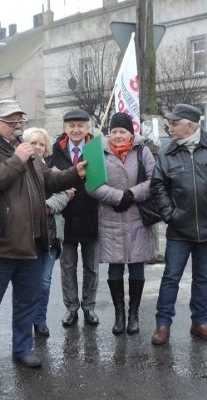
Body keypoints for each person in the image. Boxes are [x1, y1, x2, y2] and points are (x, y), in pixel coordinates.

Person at [0, 100, 86, 375]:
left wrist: (74, 174)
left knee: (27, 301)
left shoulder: (29, 152)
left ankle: (23, 348)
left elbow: (47, 179)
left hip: (33, 241)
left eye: (20, 122)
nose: (18, 127)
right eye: (12, 122)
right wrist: (17, 160)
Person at [149, 104, 207, 345]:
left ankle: (199, 322)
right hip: (179, 228)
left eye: (174, 123)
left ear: (190, 125)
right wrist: (170, 214)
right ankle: (163, 324)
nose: (170, 127)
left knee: (202, 278)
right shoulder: (166, 153)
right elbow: (158, 186)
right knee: (171, 277)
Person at [90, 112, 156, 335]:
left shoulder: (143, 151)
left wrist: (131, 195)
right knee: (115, 268)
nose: (118, 135)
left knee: (137, 266)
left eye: (123, 131)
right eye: (114, 131)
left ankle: (134, 314)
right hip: (111, 218)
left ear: (131, 133)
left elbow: (154, 181)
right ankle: (119, 314)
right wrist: (118, 197)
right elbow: (93, 185)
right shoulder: (98, 152)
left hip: (138, 218)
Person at [47, 109, 101, 328]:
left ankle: (89, 307)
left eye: (80, 125)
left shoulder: (96, 150)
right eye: (71, 126)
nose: (76, 130)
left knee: (92, 267)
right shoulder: (55, 152)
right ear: (65, 128)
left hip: (91, 217)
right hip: (65, 220)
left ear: (88, 128)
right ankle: (71, 308)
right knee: (67, 267)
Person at [23, 127, 75, 338]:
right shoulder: (19, 169)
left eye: (41, 144)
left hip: (52, 235)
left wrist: (46, 206)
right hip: (27, 236)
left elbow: (65, 195)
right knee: (29, 283)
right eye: (33, 142)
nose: (37, 147)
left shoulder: (51, 169)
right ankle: (26, 321)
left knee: (44, 282)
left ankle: (40, 320)